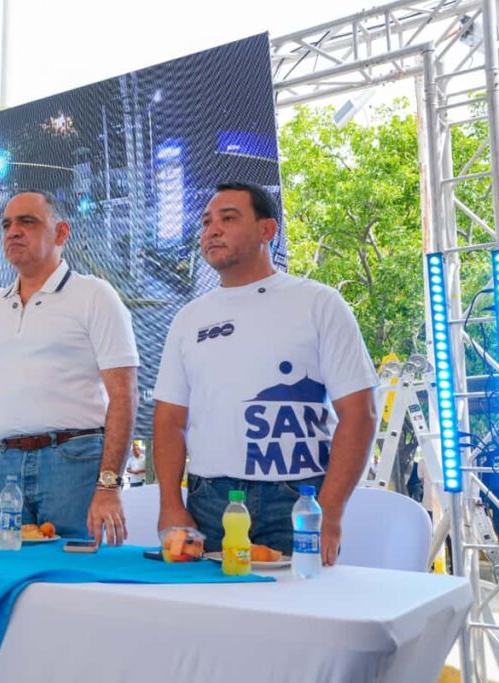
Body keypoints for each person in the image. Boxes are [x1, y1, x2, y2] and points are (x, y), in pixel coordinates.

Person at [153, 182, 378, 564]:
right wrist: (171, 504)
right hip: (210, 500)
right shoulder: (189, 319)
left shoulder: (318, 303)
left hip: (296, 498)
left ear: (267, 230)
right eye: (206, 222)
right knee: (211, 604)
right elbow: (169, 419)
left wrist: (329, 511)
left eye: (228, 218)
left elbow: (360, 413)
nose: (212, 230)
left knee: (301, 601)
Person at [0, 190, 139, 544]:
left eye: (27, 222)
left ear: (61, 233)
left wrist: (108, 485)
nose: (13, 231)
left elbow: (124, 394)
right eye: (7, 224)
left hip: (74, 464)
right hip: (3, 467)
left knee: (73, 574)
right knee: (2, 571)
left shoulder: (95, 296)